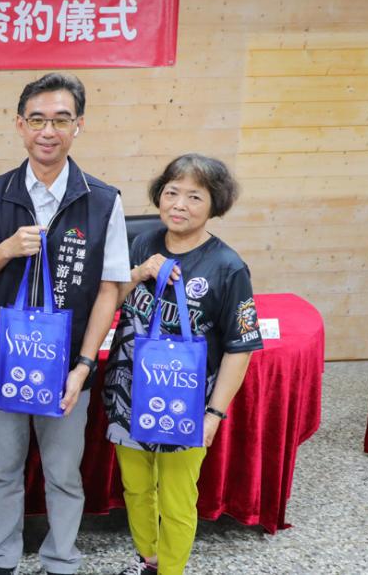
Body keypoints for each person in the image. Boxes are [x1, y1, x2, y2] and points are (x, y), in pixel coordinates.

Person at [0, 73, 130, 575]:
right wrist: (6, 249)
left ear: (78, 125)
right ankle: (1, 556)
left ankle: (61, 557)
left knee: (63, 471)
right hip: (3, 358)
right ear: (20, 125)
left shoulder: (103, 199)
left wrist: (83, 366)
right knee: (3, 468)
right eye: (37, 120)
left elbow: (110, 288)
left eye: (61, 120)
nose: (48, 131)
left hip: (67, 364)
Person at [103, 154, 262, 575]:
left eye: (194, 196)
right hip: (129, 393)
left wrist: (213, 414)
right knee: (136, 488)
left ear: (214, 204)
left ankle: (171, 570)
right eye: (172, 192)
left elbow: (241, 347)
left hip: (185, 405)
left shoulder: (228, 267)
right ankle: (149, 560)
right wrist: (138, 273)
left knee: (176, 497)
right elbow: (108, 305)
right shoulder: (143, 244)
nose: (179, 204)